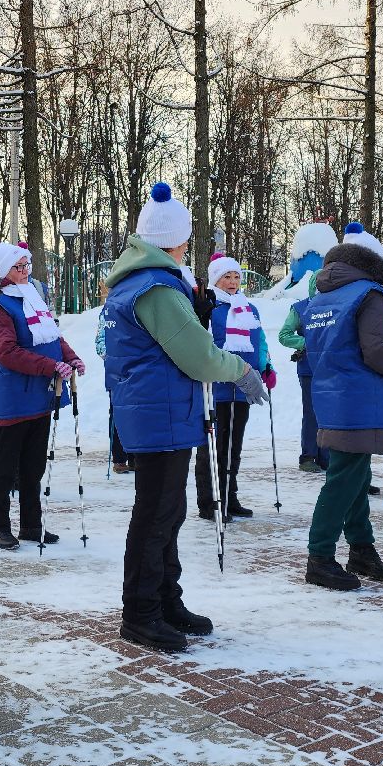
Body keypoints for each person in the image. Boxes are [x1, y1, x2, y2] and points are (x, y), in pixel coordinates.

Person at [103, 182, 267, 652]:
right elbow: (198, 358)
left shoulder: (142, 280)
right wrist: (240, 370)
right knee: (156, 515)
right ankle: (141, 612)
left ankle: (164, 599)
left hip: (162, 410)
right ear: (178, 240)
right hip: (161, 413)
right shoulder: (155, 287)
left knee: (167, 513)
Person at [301, 224, 383, 591]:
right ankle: (320, 556)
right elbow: (378, 351)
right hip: (359, 396)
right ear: (376, 262)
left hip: (331, 393)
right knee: (344, 478)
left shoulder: (324, 295)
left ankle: (361, 547)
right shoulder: (371, 293)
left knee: (355, 475)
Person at [0, 241, 84, 549]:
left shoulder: (31, 296)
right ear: (4, 271)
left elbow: (53, 335)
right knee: (4, 467)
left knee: (33, 465)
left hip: (41, 394)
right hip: (15, 396)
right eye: (19, 267)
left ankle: (31, 525)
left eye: (27, 265)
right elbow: (7, 352)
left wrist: (70, 357)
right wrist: (49, 366)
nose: (26, 271)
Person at [195, 253, 274, 521]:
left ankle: (229, 496)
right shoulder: (208, 307)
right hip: (215, 387)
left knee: (233, 445)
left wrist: (266, 366)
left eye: (236, 276)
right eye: (226, 276)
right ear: (216, 279)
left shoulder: (249, 308)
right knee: (213, 446)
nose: (232, 281)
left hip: (244, 386)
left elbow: (259, 340)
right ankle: (210, 502)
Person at [279, 269, 328, 473]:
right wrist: (308, 343)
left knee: (330, 413)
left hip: (332, 368)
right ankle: (308, 456)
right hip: (309, 368)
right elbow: (284, 335)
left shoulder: (338, 307)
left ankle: (327, 456)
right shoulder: (300, 308)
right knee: (312, 412)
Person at [96, 281, 133, 474]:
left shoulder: (133, 308)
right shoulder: (107, 313)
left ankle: (136, 456)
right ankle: (119, 457)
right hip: (116, 370)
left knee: (136, 412)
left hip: (136, 369)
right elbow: (100, 343)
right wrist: (113, 356)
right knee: (118, 412)